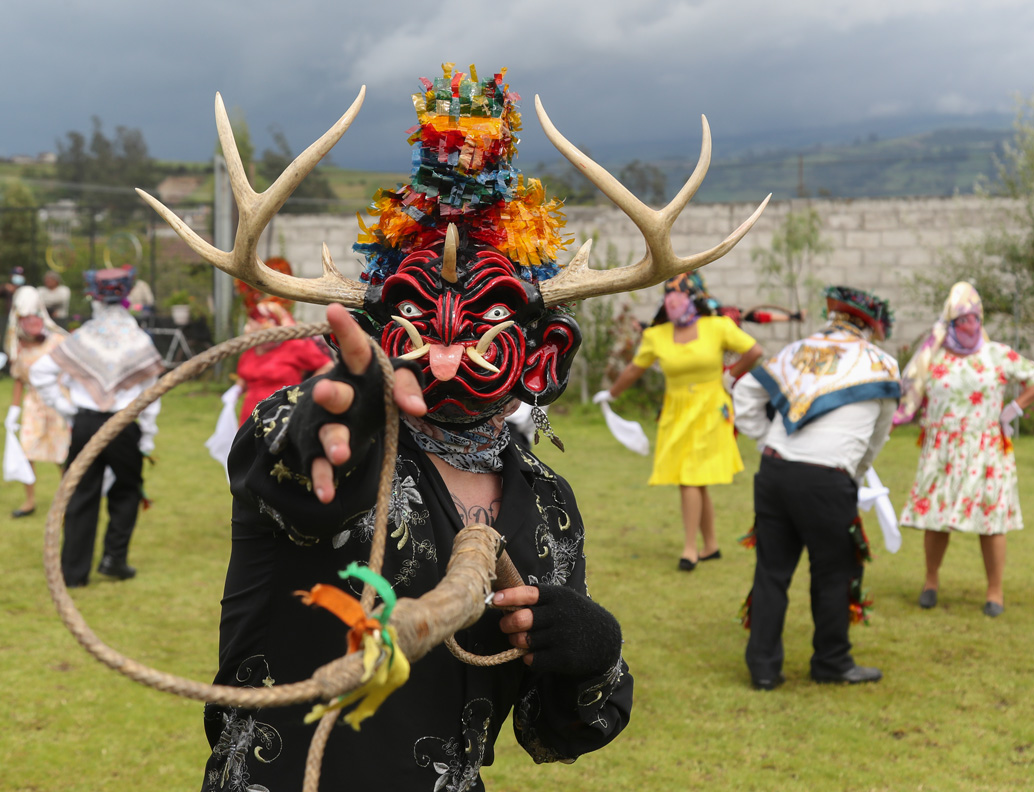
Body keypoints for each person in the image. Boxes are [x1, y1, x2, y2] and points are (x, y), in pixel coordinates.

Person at [131, 64, 772, 791]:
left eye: (490, 318)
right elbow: (283, 452)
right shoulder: (326, 443)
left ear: (545, 354)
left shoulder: (548, 504)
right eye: (412, 317)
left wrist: (591, 654)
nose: (443, 350)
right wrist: (329, 410)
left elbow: (553, 730)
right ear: (371, 339)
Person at [733, 286, 899, 690]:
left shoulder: (795, 350)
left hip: (774, 472)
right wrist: (854, 475)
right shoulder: (881, 364)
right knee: (835, 572)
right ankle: (831, 661)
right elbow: (877, 438)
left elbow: (743, 391)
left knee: (772, 570)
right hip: (828, 479)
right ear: (871, 326)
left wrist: (766, 442)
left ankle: (764, 668)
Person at [893, 282, 1034, 618]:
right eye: (962, 320)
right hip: (941, 451)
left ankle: (995, 591)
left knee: (991, 521)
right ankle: (930, 582)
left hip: (985, 451)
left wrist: (1014, 409)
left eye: (975, 319)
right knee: (936, 518)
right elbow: (907, 391)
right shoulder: (931, 356)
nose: (970, 326)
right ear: (949, 324)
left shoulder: (995, 354)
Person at [597, 272, 764, 571]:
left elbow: (754, 351)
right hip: (676, 411)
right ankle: (710, 545)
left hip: (712, 408)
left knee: (689, 478)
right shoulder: (657, 335)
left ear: (695, 297)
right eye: (669, 294)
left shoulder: (717, 327)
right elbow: (635, 369)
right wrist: (611, 393)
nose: (673, 300)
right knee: (694, 481)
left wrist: (730, 374)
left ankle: (690, 550)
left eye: (680, 293)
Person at [29, 267, 164, 586]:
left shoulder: (83, 336)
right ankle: (113, 559)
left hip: (86, 422)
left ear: (94, 297)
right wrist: (146, 435)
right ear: (126, 296)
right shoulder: (139, 339)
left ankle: (73, 573)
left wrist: (69, 410)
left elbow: (40, 373)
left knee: (81, 491)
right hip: (124, 425)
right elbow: (151, 394)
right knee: (127, 490)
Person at [234, 258, 334, 424]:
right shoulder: (249, 352)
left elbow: (327, 365)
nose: (252, 324)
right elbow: (242, 382)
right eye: (253, 319)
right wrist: (232, 395)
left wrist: (304, 392)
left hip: (282, 416)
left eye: (258, 320)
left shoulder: (294, 346)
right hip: (250, 419)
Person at [4, 286, 70, 517]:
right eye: (26, 318)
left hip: (60, 405)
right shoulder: (19, 348)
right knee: (27, 451)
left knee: (62, 454)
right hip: (34, 406)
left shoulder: (58, 341)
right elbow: (19, 380)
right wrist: (13, 410)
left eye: (35, 316)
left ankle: (67, 501)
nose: (32, 321)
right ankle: (29, 501)